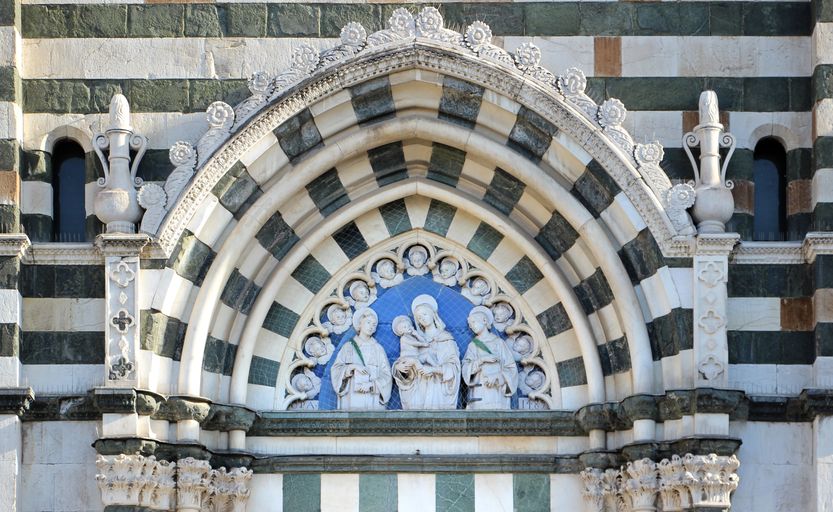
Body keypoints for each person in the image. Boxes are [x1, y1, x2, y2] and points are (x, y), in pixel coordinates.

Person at [392, 294, 461, 409]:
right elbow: (406, 358)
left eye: (424, 314)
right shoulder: (413, 339)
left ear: (433, 314)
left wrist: (433, 369)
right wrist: (399, 367)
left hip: (438, 389)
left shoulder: (445, 338)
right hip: (418, 389)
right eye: (419, 317)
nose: (422, 318)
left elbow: (454, 367)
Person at [330, 308, 392, 410]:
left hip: (372, 398)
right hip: (352, 397)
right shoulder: (348, 346)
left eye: (374, 325)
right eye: (368, 322)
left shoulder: (378, 348)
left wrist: (372, 385)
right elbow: (336, 369)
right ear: (360, 324)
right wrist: (352, 367)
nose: (371, 326)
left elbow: (386, 375)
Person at [462, 306, 518, 410]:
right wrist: (481, 360)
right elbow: (465, 368)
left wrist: (498, 376)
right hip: (479, 392)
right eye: (470, 325)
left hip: (497, 393)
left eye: (474, 322)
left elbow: (511, 368)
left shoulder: (499, 343)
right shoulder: (473, 345)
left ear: (484, 321)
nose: (471, 327)